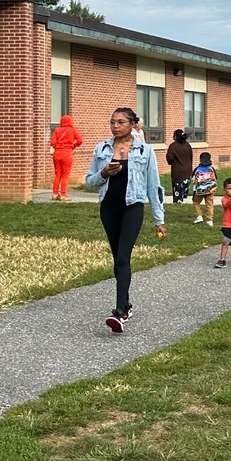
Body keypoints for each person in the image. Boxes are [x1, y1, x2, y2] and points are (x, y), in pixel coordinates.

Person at [84, 107, 165, 333]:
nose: (115, 126)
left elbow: (153, 186)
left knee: (122, 257)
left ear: (132, 124)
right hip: (109, 209)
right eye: (112, 122)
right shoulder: (101, 149)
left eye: (120, 122)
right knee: (117, 260)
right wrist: (103, 174)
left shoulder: (145, 151)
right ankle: (126, 304)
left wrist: (159, 219)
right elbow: (88, 182)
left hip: (132, 208)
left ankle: (119, 312)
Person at [49, 114, 83, 201]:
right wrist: (73, 145)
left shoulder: (57, 130)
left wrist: (58, 146)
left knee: (57, 175)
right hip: (67, 153)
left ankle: (55, 194)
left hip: (57, 154)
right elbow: (80, 140)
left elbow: (52, 142)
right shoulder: (72, 130)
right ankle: (63, 195)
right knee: (65, 175)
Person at [165, 129, 193, 204]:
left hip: (177, 172)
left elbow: (169, 158)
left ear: (176, 137)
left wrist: (171, 162)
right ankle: (182, 199)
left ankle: (178, 201)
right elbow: (190, 157)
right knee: (184, 187)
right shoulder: (188, 145)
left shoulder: (173, 146)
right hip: (187, 171)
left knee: (177, 189)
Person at [191, 152, 218, 226]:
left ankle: (199, 215)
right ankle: (210, 220)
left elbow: (193, 178)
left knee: (196, 202)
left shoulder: (197, 169)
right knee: (209, 205)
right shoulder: (211, 169)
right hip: (210, 190)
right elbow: (216, 178)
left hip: (200, 190)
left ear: (200, 160)